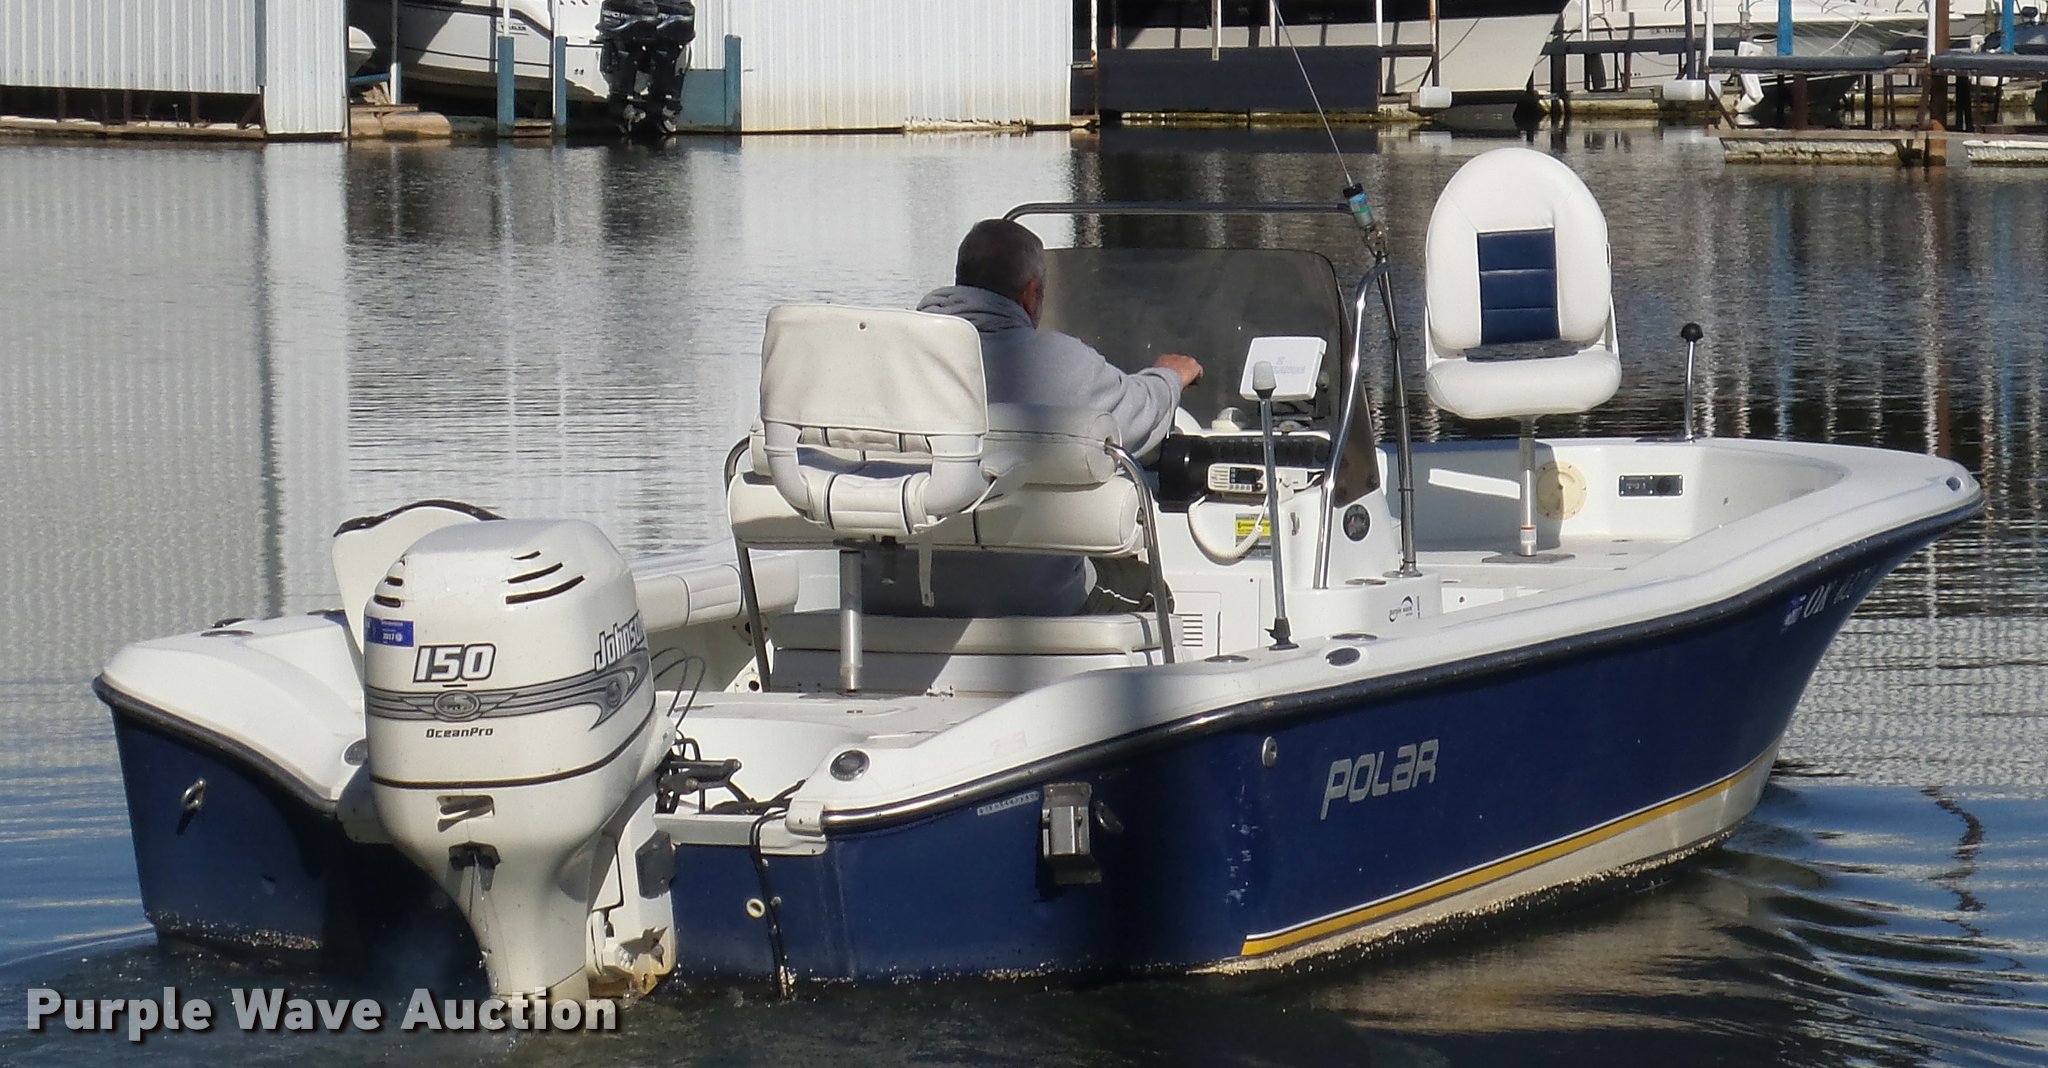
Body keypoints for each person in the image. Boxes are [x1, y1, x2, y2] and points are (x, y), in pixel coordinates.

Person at [865, 219, 1204, 617]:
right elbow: (1141, 417)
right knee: (1149, 589)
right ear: (1030, 294)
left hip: (888, 598)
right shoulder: (1058, 363)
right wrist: (1169, 377)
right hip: (1030, 602)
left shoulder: (887, 358)